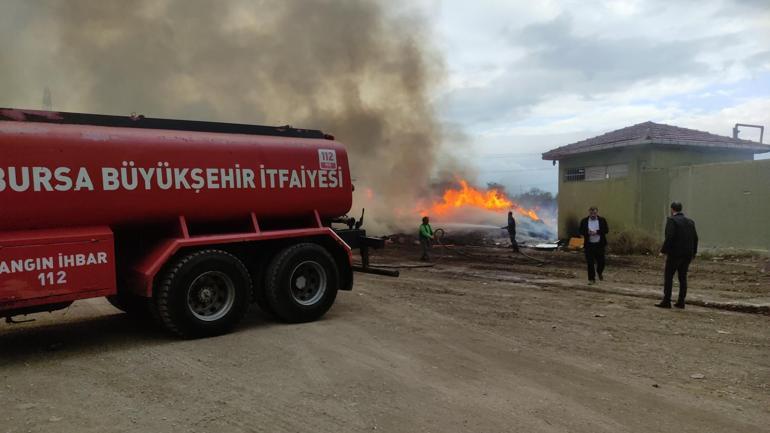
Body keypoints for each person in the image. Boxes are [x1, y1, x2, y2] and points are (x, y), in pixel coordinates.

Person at [656, 202, 698, 309]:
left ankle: (666, 301)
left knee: (669, 276)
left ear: (672, 209)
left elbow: (670, 237)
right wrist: (694, 252)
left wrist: (663, 250)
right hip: (688, 254)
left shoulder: (672, 221)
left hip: (675, 253)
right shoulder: (690, 222)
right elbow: (695, 238)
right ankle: (681, 301)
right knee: (682, 277)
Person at [579, 206, 609, 284]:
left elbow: (606, 230)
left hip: (599, 245)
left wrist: (597, 232)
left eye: (594, 213)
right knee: (590, 263)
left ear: (597, 213)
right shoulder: (584, 221)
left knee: (601, 262)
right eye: (591, 213)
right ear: (589, 212)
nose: (593, 214)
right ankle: (591, 279)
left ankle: (599, 272)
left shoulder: (602, 220)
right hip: (589, 245)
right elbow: (580, 231)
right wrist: (587, 232)